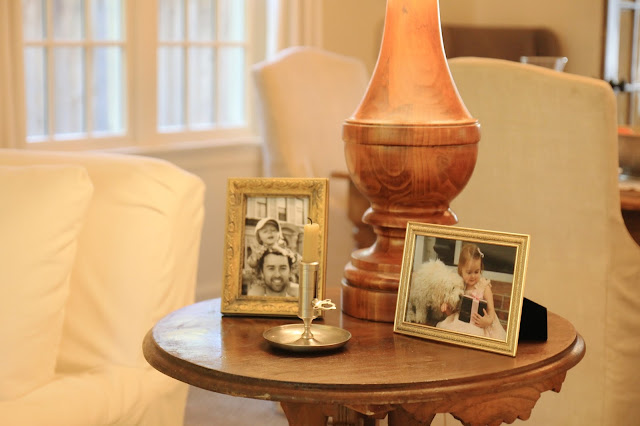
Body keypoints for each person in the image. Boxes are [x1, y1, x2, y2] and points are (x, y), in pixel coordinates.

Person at [436, 243, 506, 340]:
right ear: (461, 270)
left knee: (475, 334)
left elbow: (491, 311)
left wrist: (487, 321)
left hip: (479, 323)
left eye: (476, 272)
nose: (473, 276)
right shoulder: (460, 286)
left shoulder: (484, 286)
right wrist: (447, 308)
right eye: (469, 272)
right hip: (461, 321)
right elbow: (453, 313)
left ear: (481, 269)